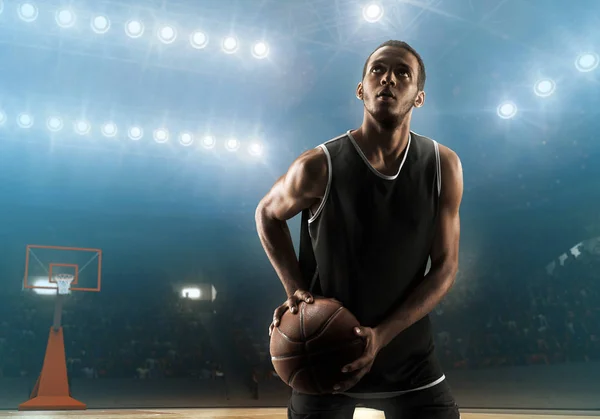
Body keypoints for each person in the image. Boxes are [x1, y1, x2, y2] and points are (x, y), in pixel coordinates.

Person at [255, 40, 463, 419]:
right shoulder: (318, 165)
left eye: (403, 73)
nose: (389, 79)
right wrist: (296, 289)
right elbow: (267, 214)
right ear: (361, 89)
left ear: (418, 97)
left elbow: (446, 267)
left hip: (408, 356)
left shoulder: (442, 166)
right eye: (377, 70)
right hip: (324, 355)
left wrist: (381, 336)